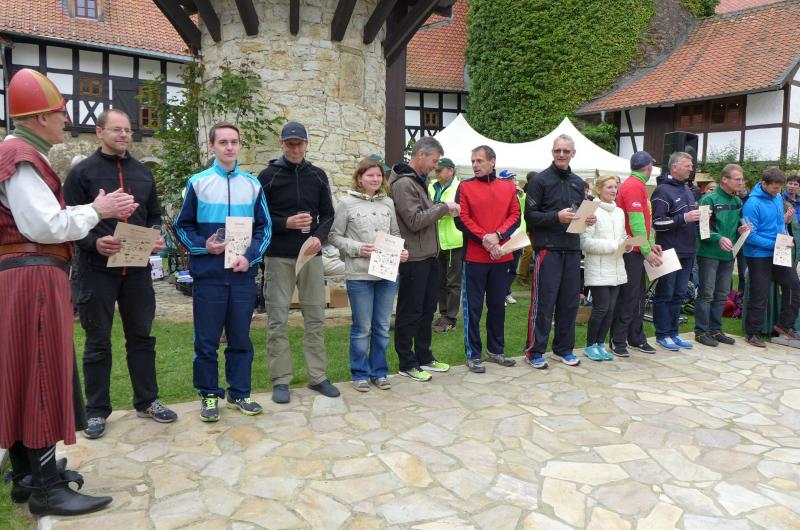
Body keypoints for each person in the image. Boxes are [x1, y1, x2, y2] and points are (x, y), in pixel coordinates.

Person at [0, 68, 136, 515]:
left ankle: (28, 473)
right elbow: (45, 225)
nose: (66, 120)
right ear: (40, 117)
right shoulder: (20, 157)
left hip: (24, 275)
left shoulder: (18, 154)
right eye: (60, 112)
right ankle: (46, 489)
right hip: (33, 276)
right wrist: (98, 209)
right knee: (41, 369)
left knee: (24, 369)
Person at [64, 109, 177, 440]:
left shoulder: (142, 172)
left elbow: (153, 214)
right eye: (116, 130)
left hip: (137, 269)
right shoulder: (82, 173)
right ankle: (96, 411)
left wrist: (155, 235)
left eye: (127, 130)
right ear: (99, 132)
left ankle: (147, 400)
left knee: (142, 337)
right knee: (97, 341)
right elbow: (68, 220)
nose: (124, 135)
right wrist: (94, 243)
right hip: (96, 269)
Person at [175, 122, 271, 421]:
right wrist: (204, 246)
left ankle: (239, 393)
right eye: (223, 142)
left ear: (239, 145)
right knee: (206, 342)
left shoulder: (252, 185)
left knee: (241, 339)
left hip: (242, 276)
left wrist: (250, 258)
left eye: (234, 142)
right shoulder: (198, 182)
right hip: (210, 276)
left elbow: (264, 228)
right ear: (212, 146)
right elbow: (182, 226)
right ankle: (208, 395)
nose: (229, 147)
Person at [258, 121, 339, 402]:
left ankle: (318, 377)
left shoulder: (317, 175)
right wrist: (286, 223)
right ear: (281, 144)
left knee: (315, 317)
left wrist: (319, 236)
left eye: (299, 144)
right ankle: (281, 380)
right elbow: (259, 218)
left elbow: (328, 215)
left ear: (306, 144)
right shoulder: (267, 176)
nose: (295, 149)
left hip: (311, 256)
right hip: (278, 256)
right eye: (290, 144)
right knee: (277, 319)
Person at [329, 158, 408, 391]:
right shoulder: (346, 203)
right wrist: (357, 248)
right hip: (360, 274)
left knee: (382, 327)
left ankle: (379, 372)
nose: (375, 179)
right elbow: (334, 236)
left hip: (386, 274)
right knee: (362, 328)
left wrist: (400, 251)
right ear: (360, 178)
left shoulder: (388, 203)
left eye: (379, 175)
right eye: (370, 175)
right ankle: (360, 374)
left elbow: (395, 233)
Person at [389, 136, 458, 382]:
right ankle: (407, 362)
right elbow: (415, 220)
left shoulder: (419, 181)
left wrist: (438, 208)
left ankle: (424, 356)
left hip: (429, 256)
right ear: (420, 155)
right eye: (434, 161)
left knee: (427, 310)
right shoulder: (403, 184)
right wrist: (443, 207)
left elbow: (424, 214)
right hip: (413, 258)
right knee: (410, 311)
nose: (436, 166)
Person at [524, 134, 596, 369]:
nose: (561, 154)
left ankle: (563, 350)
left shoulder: (578, 182)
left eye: (566, 151)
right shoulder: (539, 181)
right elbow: (530, 217)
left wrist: (588, 219)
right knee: (543, 304)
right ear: (552, 152)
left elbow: (578, 214)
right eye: (558, 150)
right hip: (548, 250)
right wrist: (556, 217)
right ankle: (534, 351)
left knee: (569, 304)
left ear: (573, 153)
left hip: (572, 249)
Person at [455, 146, 520, 373]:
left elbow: (515, 215)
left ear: (492, 161)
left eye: (479, 160)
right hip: (475, 257)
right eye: (473, 161)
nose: (475, 165)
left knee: (497, 307)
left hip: (501, 256)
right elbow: (461, 219)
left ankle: (495, 350)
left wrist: (498, 236)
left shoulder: (508, 187)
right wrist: (485, 238)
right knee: (473, 308)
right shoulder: (465, 186)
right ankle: (473, 354)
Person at [609, 151, 661, 357]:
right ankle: (618, 339)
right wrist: (647, 250)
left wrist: (651, 244)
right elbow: (636, 222)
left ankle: (635, 337)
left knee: (638, 296)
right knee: (629, 297)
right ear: (648, 167)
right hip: (632, 250)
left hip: (636, 248)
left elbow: (645, 222)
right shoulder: (634, 186)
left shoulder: (635, 185)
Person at [742, 167, 800, 347]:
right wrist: (775, 243)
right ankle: (753, 333)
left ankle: (784, 325)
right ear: (764, 184)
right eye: (775, 188)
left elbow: (779, 223)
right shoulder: (752, 204)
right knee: (760, 293)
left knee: (794, 285)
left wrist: (785, 236)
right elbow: (750, 236)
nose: (778, 191)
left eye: (780, 188)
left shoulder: (777, 198)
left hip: (778, 251)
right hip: (758, 254)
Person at [651, 151, 700, 350]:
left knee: (680, 294)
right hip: (669, 250)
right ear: (674, 167)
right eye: (687, 166)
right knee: (666, 293)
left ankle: (673, 333)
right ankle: (662, 334)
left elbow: (690, 219)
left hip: (688, 250)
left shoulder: (687, 189)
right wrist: (684, 218)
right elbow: (658, 223)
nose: (691, 169)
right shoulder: (662, 191)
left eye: (691, 166)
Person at [694, 164, 746, 347]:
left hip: (728, 255)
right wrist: (718, 238)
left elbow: (735, 228)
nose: (741, 182)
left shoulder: (738, 201)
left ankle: (715, 330)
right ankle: (701, 332)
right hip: (708, 254)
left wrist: (741, 230)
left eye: (742, 179)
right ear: (725, 179)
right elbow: (701, 229)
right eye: (737, 179)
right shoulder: (708, 199)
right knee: (706, 294)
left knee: (722, 295)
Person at [580, 175, 628, 361]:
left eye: (615, 187)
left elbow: (622, 236)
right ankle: (590, 345)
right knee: (601, 308)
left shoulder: (620, 212)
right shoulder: (590, 209)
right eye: (609, 187)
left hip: (616, 267)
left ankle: (600, 344)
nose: (613, 190)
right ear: (599, 189)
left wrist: (626, 244)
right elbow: (585, 242)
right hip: (598, 268)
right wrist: (614, 245)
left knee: (610, 310)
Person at [428, 158, 463, 333]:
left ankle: (451, 318)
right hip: (436, 241)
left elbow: (457, 211)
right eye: (435, 170)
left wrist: (438, 209)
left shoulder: (460, 188)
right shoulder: (431, 186)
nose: (436, 173)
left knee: (453, 283)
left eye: (439, 170)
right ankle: (443, 315)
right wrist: (443, 208)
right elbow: (427, 208)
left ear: (451, 170)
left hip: (454, 241)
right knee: (439, 281)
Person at [497, 169, 526, 305]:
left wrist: (522, 195)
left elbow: (525, 210)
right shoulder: (499, 194)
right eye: (509, 179)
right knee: (503, 267)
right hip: (505, 235)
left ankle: (506, 292)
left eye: (513, 179)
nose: (512, 182)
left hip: (518, 235)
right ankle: (500, 294)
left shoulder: (519, 195)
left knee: (513, 268)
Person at [515, 171, 537, 286]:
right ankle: (521, 276)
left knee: (531, 251)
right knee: (528, 251)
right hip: (525, 227)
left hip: (532, 227)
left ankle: (525, 276)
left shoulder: (534, 191)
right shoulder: (523, 193)